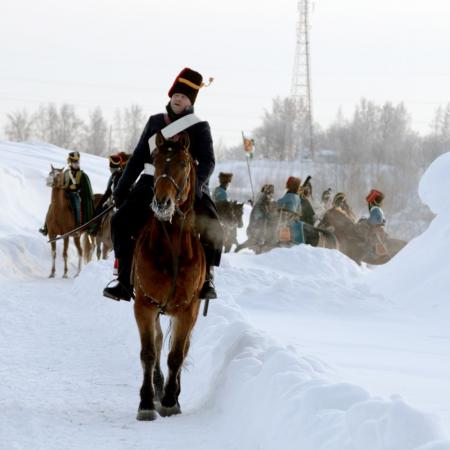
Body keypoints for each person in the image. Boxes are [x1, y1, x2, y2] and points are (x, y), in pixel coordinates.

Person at [103, 67, 223, 302]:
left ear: (190, 102)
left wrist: (197, 186)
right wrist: (122, 189)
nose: (178, 99)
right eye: (175, 95)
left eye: (184, 96)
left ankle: (207, 278)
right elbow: (138, 158)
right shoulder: (155, 122)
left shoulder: (200, 127)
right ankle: (125, 281)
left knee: (214, 226)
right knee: (120, 221)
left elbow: (208, 161)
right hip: (151, 182)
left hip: (188, 185)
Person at [39, 151, 94, 235]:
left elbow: (84, 189)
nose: (76, 164)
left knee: (76, 203)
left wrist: (77, 188)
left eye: (77, 162)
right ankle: (46, 227)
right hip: (65, 193)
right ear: (70, 162)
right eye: (74, 162)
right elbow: (63, 183)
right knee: (52, 204)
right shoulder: (66, 173)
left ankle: (77, 226)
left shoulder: (82, 175)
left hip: (76, 195)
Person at [89, 152, 129, 236]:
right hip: (119, 201)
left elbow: (110, 191)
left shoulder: (117, 175)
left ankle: (95, 228)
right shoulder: (121, 174)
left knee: (100, 210)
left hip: (117, 203)